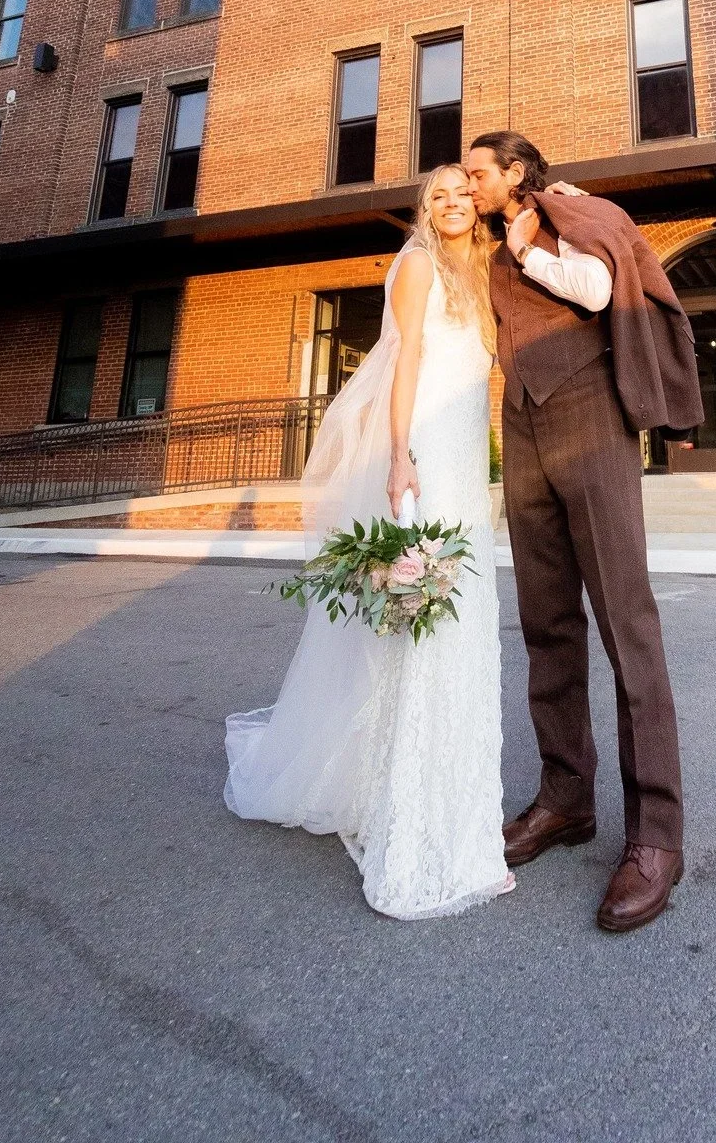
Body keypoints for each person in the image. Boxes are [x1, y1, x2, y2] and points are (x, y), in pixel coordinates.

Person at [223, 165, 513, 922]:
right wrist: (398, 456)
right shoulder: (416, 265)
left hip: (462, 457)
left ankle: (461, 815)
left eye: (461, 194)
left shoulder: (479, 268)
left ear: (476, 205)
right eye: (437, 196)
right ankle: (415, 821)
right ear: (426, 210)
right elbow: (404, 361)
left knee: (465, 623)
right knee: (423, 625)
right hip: (422, 450)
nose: (451, 204)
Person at [464, 131, 703, 934]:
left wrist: (529, 252)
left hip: (590, 419)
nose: (468, 183)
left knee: (626, 627)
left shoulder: (571, 210)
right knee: (545, 624)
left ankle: (656, 837)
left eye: (476, 172)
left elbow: (599, 291)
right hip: (524, 426)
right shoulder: (498, 241)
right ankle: (565, 800)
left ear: (515, 173)